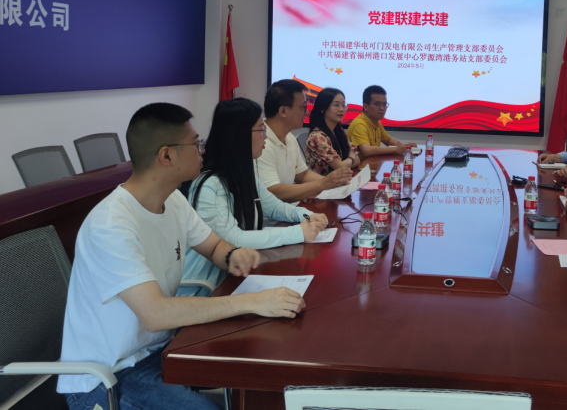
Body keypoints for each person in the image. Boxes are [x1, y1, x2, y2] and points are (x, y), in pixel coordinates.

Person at [59, 103, 307, 410]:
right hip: (109, 377)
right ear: (167, 156)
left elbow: (213, 246)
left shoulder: (173, 199)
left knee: (261, 372)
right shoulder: (111, 225)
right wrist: (255, 301)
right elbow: (156, 315)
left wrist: (233, 255)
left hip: (163, 349)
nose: (202, 150)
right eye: (195, 143)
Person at [182, 98, 328, 291]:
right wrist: (298, 232)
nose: (265, 136)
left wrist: (306, 216)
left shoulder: (242, 172)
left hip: (236, 275)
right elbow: (233, 239)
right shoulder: (210, 184)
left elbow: (273, 207)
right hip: (207, 288)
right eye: (261, 129)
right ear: (240, 135)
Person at [258, 79, 352, 203]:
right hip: (272, 214)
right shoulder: (260, 143)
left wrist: (334, 182)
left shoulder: (289, 137)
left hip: (290, 208)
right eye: (303, 107)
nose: (307, 112)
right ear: (283, 111)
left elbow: (302, 175)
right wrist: (322, 184)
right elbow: (273, 191)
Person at [346, 85, 416, 160]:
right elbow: (367, 150)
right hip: (357, 167)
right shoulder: (359, 124)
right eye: (377, 104)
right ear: (366, 107)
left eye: (384, 104)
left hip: (370, 164)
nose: (382, 108)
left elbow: (389, 140)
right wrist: (396, 149)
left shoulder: (377, 122)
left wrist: (405, 146)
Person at [305, 87, 360, 176]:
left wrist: (347, 162)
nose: (342, 109)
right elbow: (342, 167)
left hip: (341, 180)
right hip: (323, 183)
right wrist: (351, 157)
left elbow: (357, 160)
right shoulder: (317, 137)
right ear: (322, 108)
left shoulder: (339, 132)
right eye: (336, 105)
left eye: (343, 105)